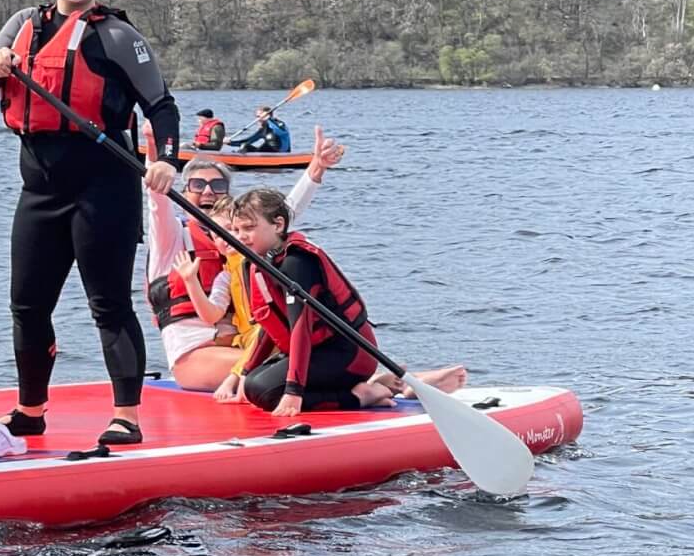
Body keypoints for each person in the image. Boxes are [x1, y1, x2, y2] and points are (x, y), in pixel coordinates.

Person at [0, 0, 180, 448]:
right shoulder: (24, 24)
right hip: (39, 191)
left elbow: (162, 105)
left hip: (103, 189)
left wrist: (170, 162)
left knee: (108, 304)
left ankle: (127, 416)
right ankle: (30, 411)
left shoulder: (115, 36)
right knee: (26, 305)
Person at [225, 187, 467, 416]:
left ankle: (361, 396)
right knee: (255, 385)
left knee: (266, 393)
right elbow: (272, 324)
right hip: (318, 353)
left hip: (348, 353)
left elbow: (301, 327)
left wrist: (294, 391)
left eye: (248, 228)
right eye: (236, 230)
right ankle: (381, 384)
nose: (241, 237)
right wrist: (245, 375)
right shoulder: (258, 264)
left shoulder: (296, 263)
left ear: (278, 224)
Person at [143, 126, 345, 393]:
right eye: (197, 185)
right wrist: (155, 151)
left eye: (217, 185)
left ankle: (373, 382)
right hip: (195, 355)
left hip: (244, 343)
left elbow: (281, 214)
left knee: (313, 355)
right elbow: (157, 201)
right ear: (183, 192)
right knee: (287, 367)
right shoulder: (172, 240)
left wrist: (316, 169)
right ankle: (360, 390)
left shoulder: (240, 241)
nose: (207, 192)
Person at [227, 105, 291, 153]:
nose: (258, 119)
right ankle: (238, 159)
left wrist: (269, 119)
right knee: (245, 145)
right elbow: (248, 141)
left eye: (259, 117)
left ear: (268, 115)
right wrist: (230, 143)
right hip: (267, 154)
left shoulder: (280, 124)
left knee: (267, 146)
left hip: (281, 154)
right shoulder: (263, 130)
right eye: (257, 117)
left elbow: (280, 131)